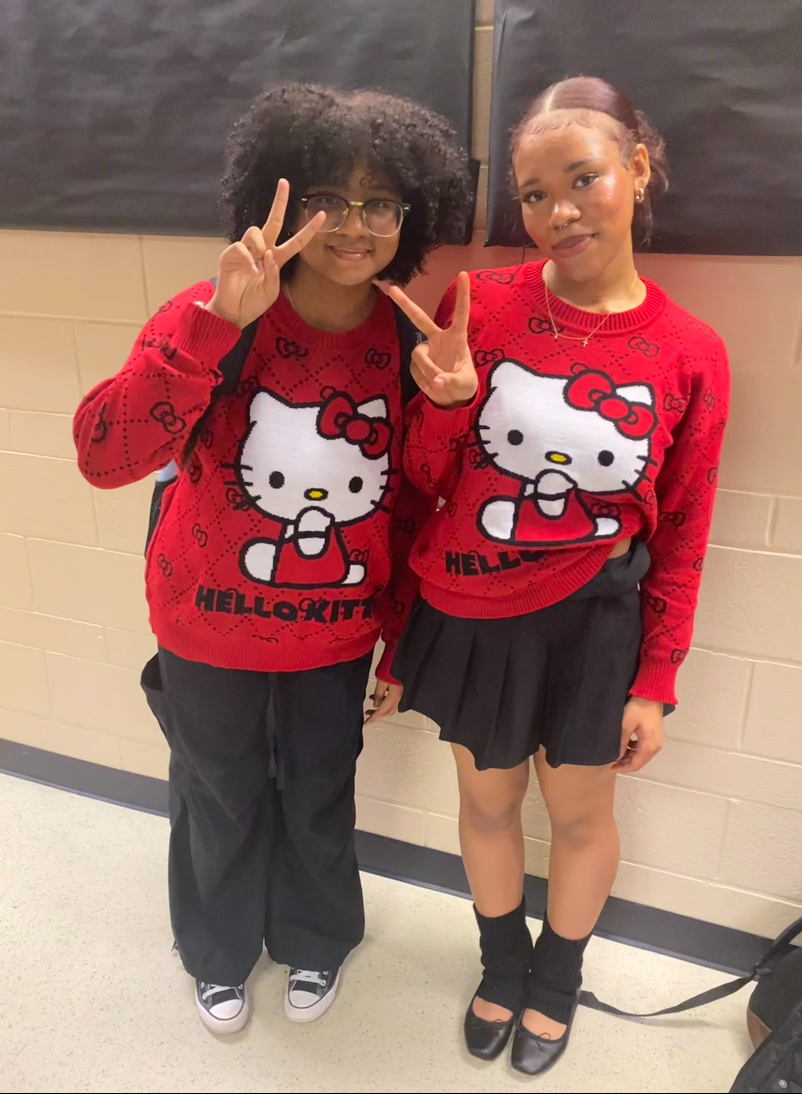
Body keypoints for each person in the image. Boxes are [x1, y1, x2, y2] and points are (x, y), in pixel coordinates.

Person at [73, 83, 471, 1034]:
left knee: (321, 797)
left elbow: (414, 505)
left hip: (333, 635)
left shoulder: (410, 339)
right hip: (204, 622)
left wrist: (451, 409)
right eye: (330, 198)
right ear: (279, 201)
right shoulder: (213, 312)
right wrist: (212, 328)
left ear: (408, 218)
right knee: (219, 796)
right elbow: (104, 456)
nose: (354, 224)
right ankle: (215, 951)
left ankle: (317, 940)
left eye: (381, 203)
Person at [386, 76, 729, 1075]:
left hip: (595, 627)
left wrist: (658, 678)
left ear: (639, 167)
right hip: (471, 609)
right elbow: (420, 476)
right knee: (488, 804)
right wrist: (446, 400)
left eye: (582, 179)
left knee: (581, 816)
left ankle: (558, 980)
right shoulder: (477, 306)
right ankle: (502, 962)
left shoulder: (690, 351)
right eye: (533, 195)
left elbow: (688, 530)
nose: (557, 212)